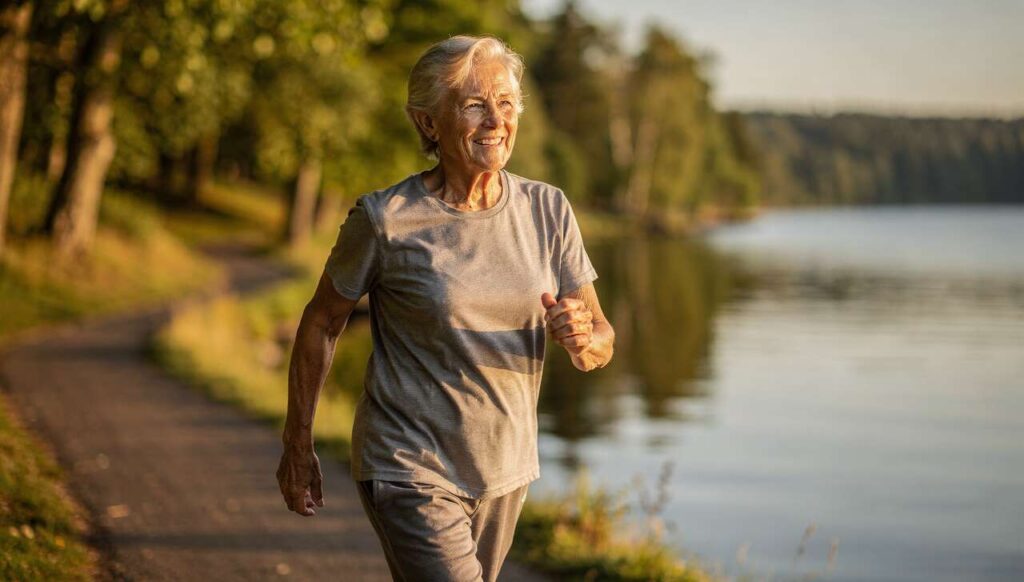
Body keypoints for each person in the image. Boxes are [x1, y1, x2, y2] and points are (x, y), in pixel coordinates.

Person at [276, 35, 615, 582]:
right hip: (409, 463)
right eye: (475, 105)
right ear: (429, 123)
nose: (495, 121)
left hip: (505, 469)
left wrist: (582, 338)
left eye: (505, 104)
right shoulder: (387, 218)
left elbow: (600, 339)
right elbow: (321, 321)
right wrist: (298, 441)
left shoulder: (547, 209)